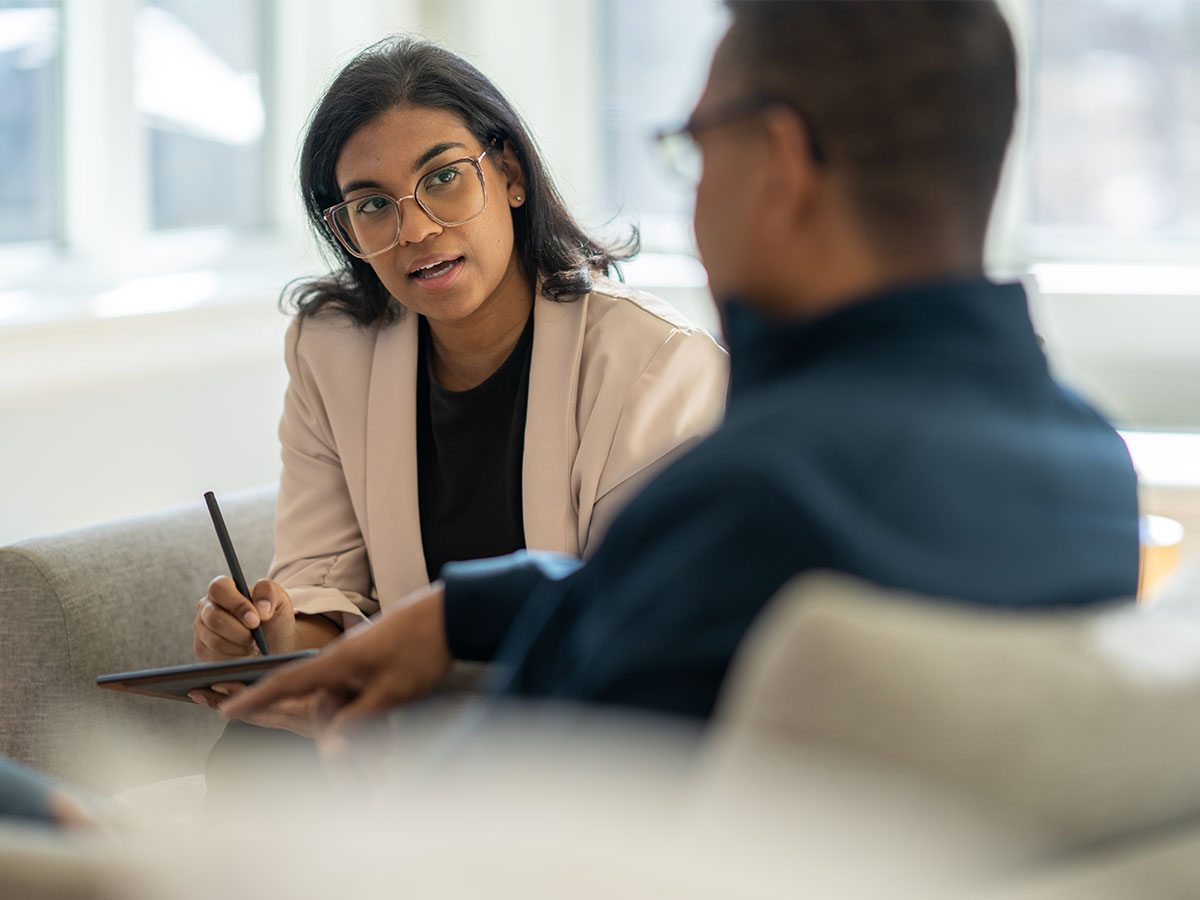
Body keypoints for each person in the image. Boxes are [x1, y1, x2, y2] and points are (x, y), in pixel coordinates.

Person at [224, 0, 1140, 734]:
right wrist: (469, 612)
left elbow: (520, 807)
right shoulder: (1091, 469)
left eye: (697, 149)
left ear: (776, 164)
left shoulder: (752, 499)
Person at [188, 37, 729, 733]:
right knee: (257, 738)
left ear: (509, 174)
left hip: (565, 733)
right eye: (372, 204)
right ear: (344, 228)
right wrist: (269, 636)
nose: (413, 228)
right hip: (404, 730)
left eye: (442, 178)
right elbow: (323, 594)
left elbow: (626, 630)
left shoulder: (656, 365)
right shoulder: (331, 351)